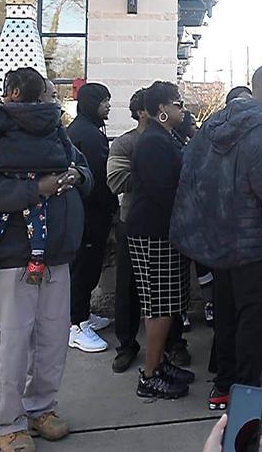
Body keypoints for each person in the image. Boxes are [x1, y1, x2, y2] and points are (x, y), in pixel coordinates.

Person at [0, 69, 93, 452]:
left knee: (53, 338)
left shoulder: (57, 133)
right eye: (47, 95)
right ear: (18, 95)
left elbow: (84, 169)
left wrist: (75, 177)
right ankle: (7, 423)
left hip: (57, 253)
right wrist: (35, 189)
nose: (52, 101)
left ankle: (41, 408)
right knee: (13, 341)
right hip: (13, 256)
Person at [172, 65, 262, 436]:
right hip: (254, 246)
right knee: (254, 325)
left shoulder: (214, 126)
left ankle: (222, 388)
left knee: (227, 314)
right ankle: (248, 412)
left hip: (218, 243)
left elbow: (191, 177)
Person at [0, 68, 78, 286]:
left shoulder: (2, 116)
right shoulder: (52, 118)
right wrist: (68, 168)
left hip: (10, 175)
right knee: (38, 221)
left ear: (15, 92)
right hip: (44, 184)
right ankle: (36, 261)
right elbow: (69, 151)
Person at [124, 80, 195, 399]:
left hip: (164, 232)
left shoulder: (165, 137)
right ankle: (149, 375)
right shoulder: (153, 141)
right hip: (153, 234)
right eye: (177, 103)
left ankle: (160, 362)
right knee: (159, 307)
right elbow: (163, 191)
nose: (182, 108)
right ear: (162, 109)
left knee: (168, 304)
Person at [66, 82, 118, 353]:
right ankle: (76, 325)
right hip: (89, 215)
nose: (108, 105)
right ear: (91, 103)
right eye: (104, 100)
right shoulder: (89, 135)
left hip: (85, 214)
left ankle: (82, 314)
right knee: (84, 269)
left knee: (86, 268)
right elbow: (100, 181)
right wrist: (111, 208)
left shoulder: (82, 130)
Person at [105, 88, 148, 372]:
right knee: (128, 288)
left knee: (171, 289)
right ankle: (126, 344)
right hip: (132, 222)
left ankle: (174, 343)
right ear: (144, 111)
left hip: (169, 224)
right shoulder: (125, 143)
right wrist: (155, 173)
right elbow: (116, 180)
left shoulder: (175, 140)